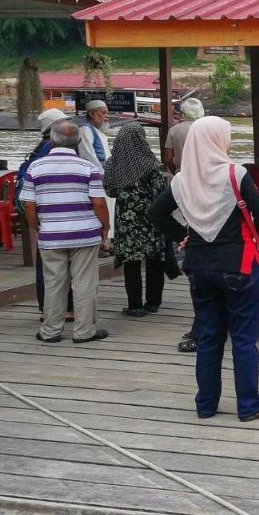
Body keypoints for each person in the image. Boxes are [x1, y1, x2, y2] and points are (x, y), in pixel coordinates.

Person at [148, 116, 259, 422]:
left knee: (208, 337)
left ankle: (206, 405)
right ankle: (249, 405)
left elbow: (156, 212)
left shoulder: (182, 180)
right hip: (239, 265)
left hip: (198, 266)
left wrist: (184, 236)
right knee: (244, 339)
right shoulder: (235, 173)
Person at [19, 120, 111, 344]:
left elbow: (29, 204)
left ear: (52, 140)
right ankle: (84, 331)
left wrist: (35, 226)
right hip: (84, 233)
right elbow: (98, 202)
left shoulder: (35, 168)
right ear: (78, 141)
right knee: (85, 283)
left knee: (54, 282)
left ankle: (51, 330)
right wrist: (105, 227)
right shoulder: (87, 168)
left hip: (50, 234)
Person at [103, 123, 168, 317]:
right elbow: (160, 193)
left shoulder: (113, 164)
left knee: (131, 263)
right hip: (150, 219)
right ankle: (153, 302)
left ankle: (135, 305)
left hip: (127, 220)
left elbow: (110, 190)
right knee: (154, 259)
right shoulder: (151, 164)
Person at [17, 108, 71, 315]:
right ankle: (65, 309)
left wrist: (34, 223)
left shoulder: (38, 149)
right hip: (60, 215)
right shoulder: (53, 148)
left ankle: (46, 308)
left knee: (46, 266)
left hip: (44, 216)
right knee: (63, 266)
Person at [164, 97, 204, 174]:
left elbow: (168, 158)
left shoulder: (173, 130)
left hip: (182, 174)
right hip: (205, 175)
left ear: (183, 113)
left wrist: (176, 172)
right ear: (201, 111)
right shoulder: (208, 129)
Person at [76, 99, 110, 171]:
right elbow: (88, 156)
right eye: (104, 113)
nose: (107, 117)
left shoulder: (99, 132)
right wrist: (101, 174)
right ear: (91, 114)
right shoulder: (85, 129)